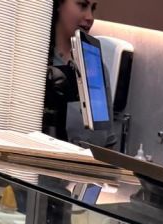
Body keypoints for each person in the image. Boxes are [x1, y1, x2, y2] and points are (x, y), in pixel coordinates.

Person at [43, 0, 116, 148]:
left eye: (93, 8)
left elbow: (108, 141)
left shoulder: (98, 68)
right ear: (58, 5)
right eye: (82, 5)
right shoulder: (36, 63)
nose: (90, 17)